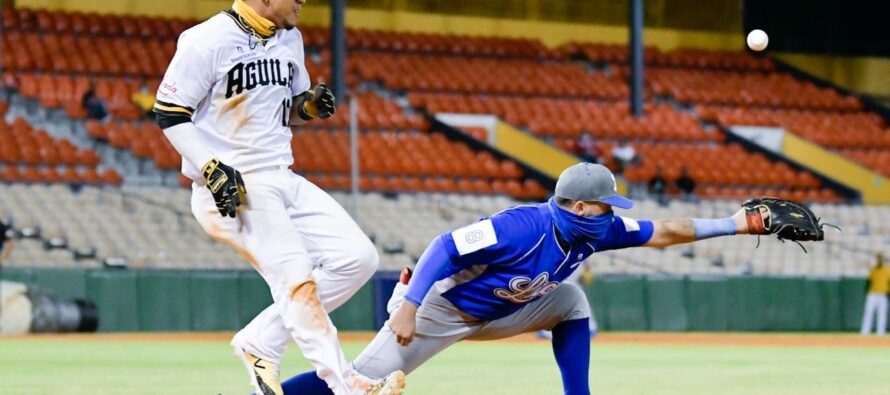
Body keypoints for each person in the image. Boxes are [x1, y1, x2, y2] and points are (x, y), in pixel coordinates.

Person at [275, 162, 764, 395]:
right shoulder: (522, 226)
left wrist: (737, 224)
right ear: (576, 206)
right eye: (604, 205)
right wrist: (409, 304)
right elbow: (445, 246)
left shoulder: (600, 231)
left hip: (505, 310)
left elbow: (666, 232)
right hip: (441, 310)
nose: (612, 214)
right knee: (358, 382)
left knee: (572, 300)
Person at [153, 1, 405, 394]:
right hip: (234, 186)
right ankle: (347, 384)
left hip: (281, 175)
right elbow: (169, 112)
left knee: (358, 259)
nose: (303, 0)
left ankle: (261, 341)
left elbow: (287, 110)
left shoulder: (290, 38)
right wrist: (208, 165)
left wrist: (307, 107)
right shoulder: (207, 39)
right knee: (295, 280)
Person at [860, 253, 890, 336]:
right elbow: (868, 282)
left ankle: (881, 333)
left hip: (883, 294)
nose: (879, 260)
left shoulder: (887, 270)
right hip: (872, 294)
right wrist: (866, 293)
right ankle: (865, 332)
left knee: (882, 314)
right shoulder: (873, 269)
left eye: (881, 258)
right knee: (868, 313)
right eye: (878, 258)